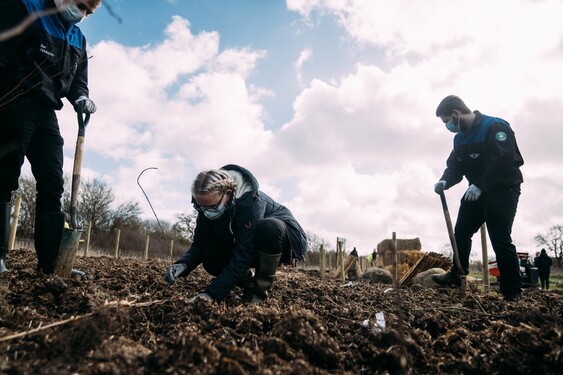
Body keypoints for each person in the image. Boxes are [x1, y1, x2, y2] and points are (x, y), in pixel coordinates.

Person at [0, 0, 100, 273]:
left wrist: (81, 97)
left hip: (46, 112)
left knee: (53, 183)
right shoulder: (26, 9)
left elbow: (77, 81)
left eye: (89, 12)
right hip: (14, 101)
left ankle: (49, 263)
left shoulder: (78, 38)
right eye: (81, 5)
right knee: (4, 177)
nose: (83, 14)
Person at [164, 165, 308, 303]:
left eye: (212, 207)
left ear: (227, 193)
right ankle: (250, 283)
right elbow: (201, 243)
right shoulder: (205, 207)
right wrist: (183, 264)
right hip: (251, 241)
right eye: (201, 207)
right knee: (211, 258)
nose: (207, 212)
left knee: (269, 227)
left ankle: (258, 293)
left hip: (285, 239)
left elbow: (243, 253)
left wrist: (211, 294)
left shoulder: (250, 204)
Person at [431, 95, 524, 302]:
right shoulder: (460, 138)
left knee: (500, 238)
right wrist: (445, 180)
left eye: (447, 121)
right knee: (461, 232)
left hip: (503, 189)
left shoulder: (494, 126)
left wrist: (481, 184)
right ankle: (458, 274)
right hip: (475, 191)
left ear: (456, 114)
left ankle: (512, 290)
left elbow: (504, 159)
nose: (448, 126)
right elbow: (455, 166)